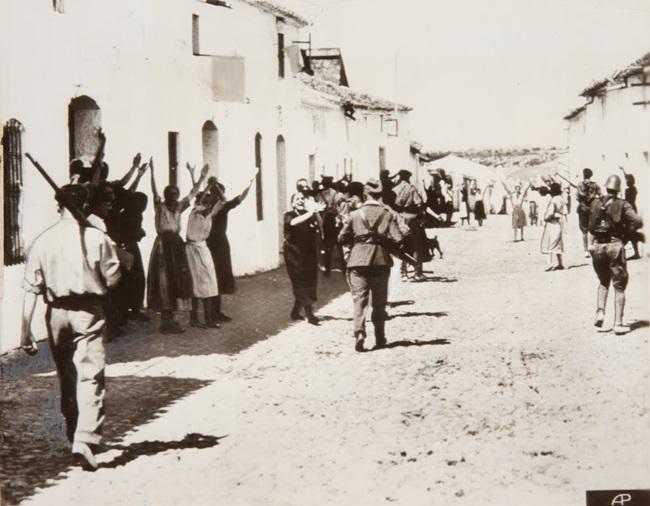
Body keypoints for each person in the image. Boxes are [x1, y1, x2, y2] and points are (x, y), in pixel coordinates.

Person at [20, 184, 121, 469]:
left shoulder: (43, 240)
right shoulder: (96, 237)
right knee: (90, 374)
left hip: (55, 315)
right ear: (86, 206)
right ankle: (85, 439)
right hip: (88, 311)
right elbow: (113, 278)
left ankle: (73, 430)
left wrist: (24, 330)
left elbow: (31, 289)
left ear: (58, 206)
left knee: (68, 375)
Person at [338, 178, 404, 352]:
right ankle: (380, 337)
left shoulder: (355, 214)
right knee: (379, 301)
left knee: (359, 299)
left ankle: (359, 332)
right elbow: (398, 238)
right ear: (379, 194)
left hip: (357, 261)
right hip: (380, 261)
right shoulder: (387, 214)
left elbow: (341, 237)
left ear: (365, 194)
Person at [148, 160, 208, 334]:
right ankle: (165, 319)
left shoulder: (179, 208)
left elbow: (192, 193)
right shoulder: (160, 207)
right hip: (162, 245)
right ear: (166, 195)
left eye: (175, 194)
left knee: (176, 279)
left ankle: (171, 319)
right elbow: (154, 191)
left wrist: (201, 177)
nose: (173, 196)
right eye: (170, 194)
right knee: (163, 280)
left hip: (175, 244)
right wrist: (152, 172)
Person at [588, 174, 643, 335]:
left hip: (598, 246)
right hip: (615, 246)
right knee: (619, 287)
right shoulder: (622, 204)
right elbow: (637, 221)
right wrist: (626, 234)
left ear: (606, 187)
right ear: (618, 189)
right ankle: (618, 323)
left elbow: (591, 227)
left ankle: (600, 312)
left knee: (603, 282)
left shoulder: (596, 203)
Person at [205, 172, 255, 322]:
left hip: (220, 245)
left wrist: (250, 184)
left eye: (217, 192)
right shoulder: (206, 207)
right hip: (206, 244)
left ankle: (216, 312)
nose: (215, 195)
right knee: (209, 278)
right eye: (213, 192)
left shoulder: (224, 206)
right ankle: (210, 313)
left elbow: (240, 197)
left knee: (219, 278)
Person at [186, 184, 225, 329]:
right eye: (205, 202)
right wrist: (208, 185)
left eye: (209, 203)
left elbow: (223, 200)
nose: (207, 205)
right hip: (191, 250)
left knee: (209, 283)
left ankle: (208, 319)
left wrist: (215, 187)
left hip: (203, 249)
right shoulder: (195, 212)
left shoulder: (209, 214)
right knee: (194, 285)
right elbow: (200, 200)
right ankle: (194, 318)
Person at [283, 192, 324, 324]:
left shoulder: (309, 214)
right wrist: (310, 213)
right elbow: (294, 223)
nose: (300, 201)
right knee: (300, 282)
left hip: (309, 254)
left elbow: (321, 228)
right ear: (292, 203)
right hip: (294, 256)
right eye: (297, 199)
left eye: (302, 198)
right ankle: (310, 314)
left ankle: (295, 311)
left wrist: (317, 212)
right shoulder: (289, 215)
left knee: (311, 281)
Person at [392, 169, 428, 281]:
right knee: (417, 245)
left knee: (403, 245)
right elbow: (418, 204)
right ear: (407, 178)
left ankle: (403, 273)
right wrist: (422, 216)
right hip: (411, 219)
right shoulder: (411, 188)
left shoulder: (394, 190)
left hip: (398, 219)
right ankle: (417, 272)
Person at [316, 175, 341, 276]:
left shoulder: (319, 195)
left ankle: (327, 269)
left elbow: (318, 210)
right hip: (336, 221)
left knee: (327, 247)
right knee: (340, 246)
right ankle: (344, 268)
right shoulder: (338, 195)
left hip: (326, 222)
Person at [540, 182, 567, 271]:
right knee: (558, 243)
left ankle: (549, 264)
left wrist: (546, 217)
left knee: (549, 243)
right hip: (561, 222)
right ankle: (560, 263)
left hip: (553, 222)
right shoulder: (562, 199)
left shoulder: (553, 200)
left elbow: (550, 213)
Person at [577, 168, 601, 257]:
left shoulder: (580, 184)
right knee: (593, 229)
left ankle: (585, 250)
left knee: (584, 231)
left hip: (583, 209)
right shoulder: (595, 185)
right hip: (593, 208)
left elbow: (577, 197)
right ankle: (591, 246)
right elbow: (600, 195)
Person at [620, 167, 640, 259]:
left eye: (627, 180)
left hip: (629, 210)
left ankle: (621, 253)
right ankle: (636, 252)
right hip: (633, 209)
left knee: (627, 232)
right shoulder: (634, 188)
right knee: (632, 233)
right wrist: (623, 170)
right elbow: (627, 178)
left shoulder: (628, 190)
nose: (626, 181)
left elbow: (627, 200)